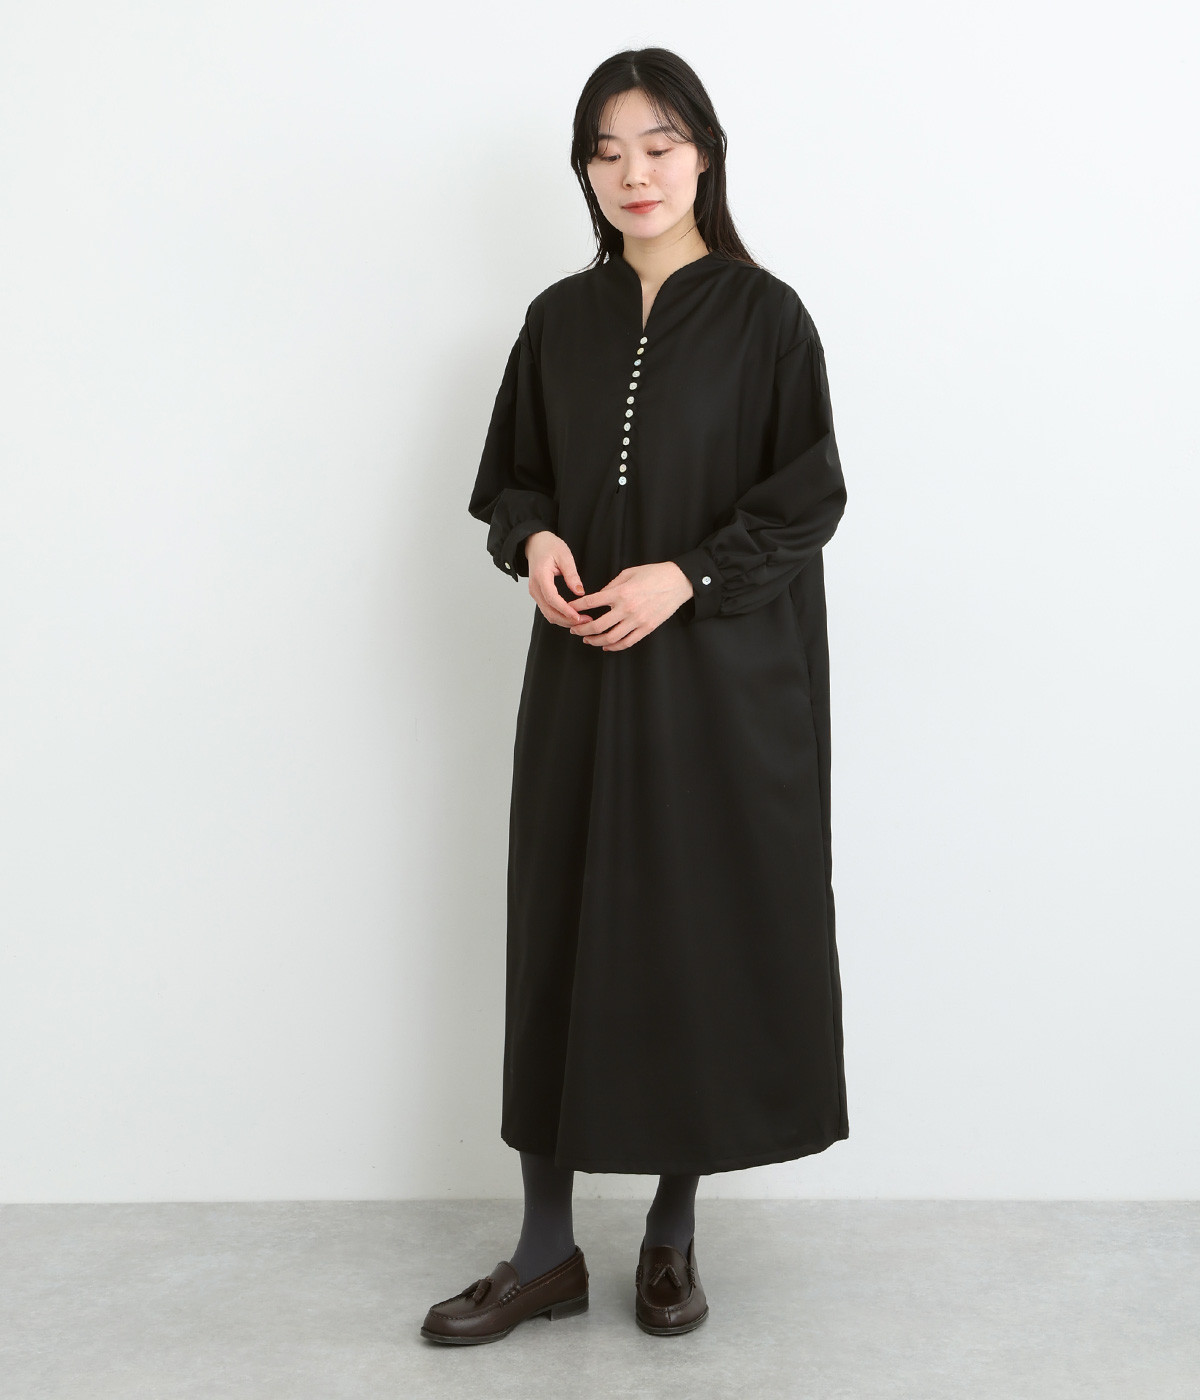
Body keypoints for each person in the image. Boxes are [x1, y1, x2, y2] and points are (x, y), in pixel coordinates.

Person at [421, 47, 849, 1346]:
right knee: (561, 919)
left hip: (720, 682)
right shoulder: (560, 319)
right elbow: (515, 481)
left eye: (658, 145)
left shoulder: (768, 318)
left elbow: (807, 498)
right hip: (580, 675)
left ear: (703, 152)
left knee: (692, 934)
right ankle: (544, 1251)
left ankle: (670, 1234)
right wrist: (537, 542)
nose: (634, 174)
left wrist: (688, 575)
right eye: (606, 153)